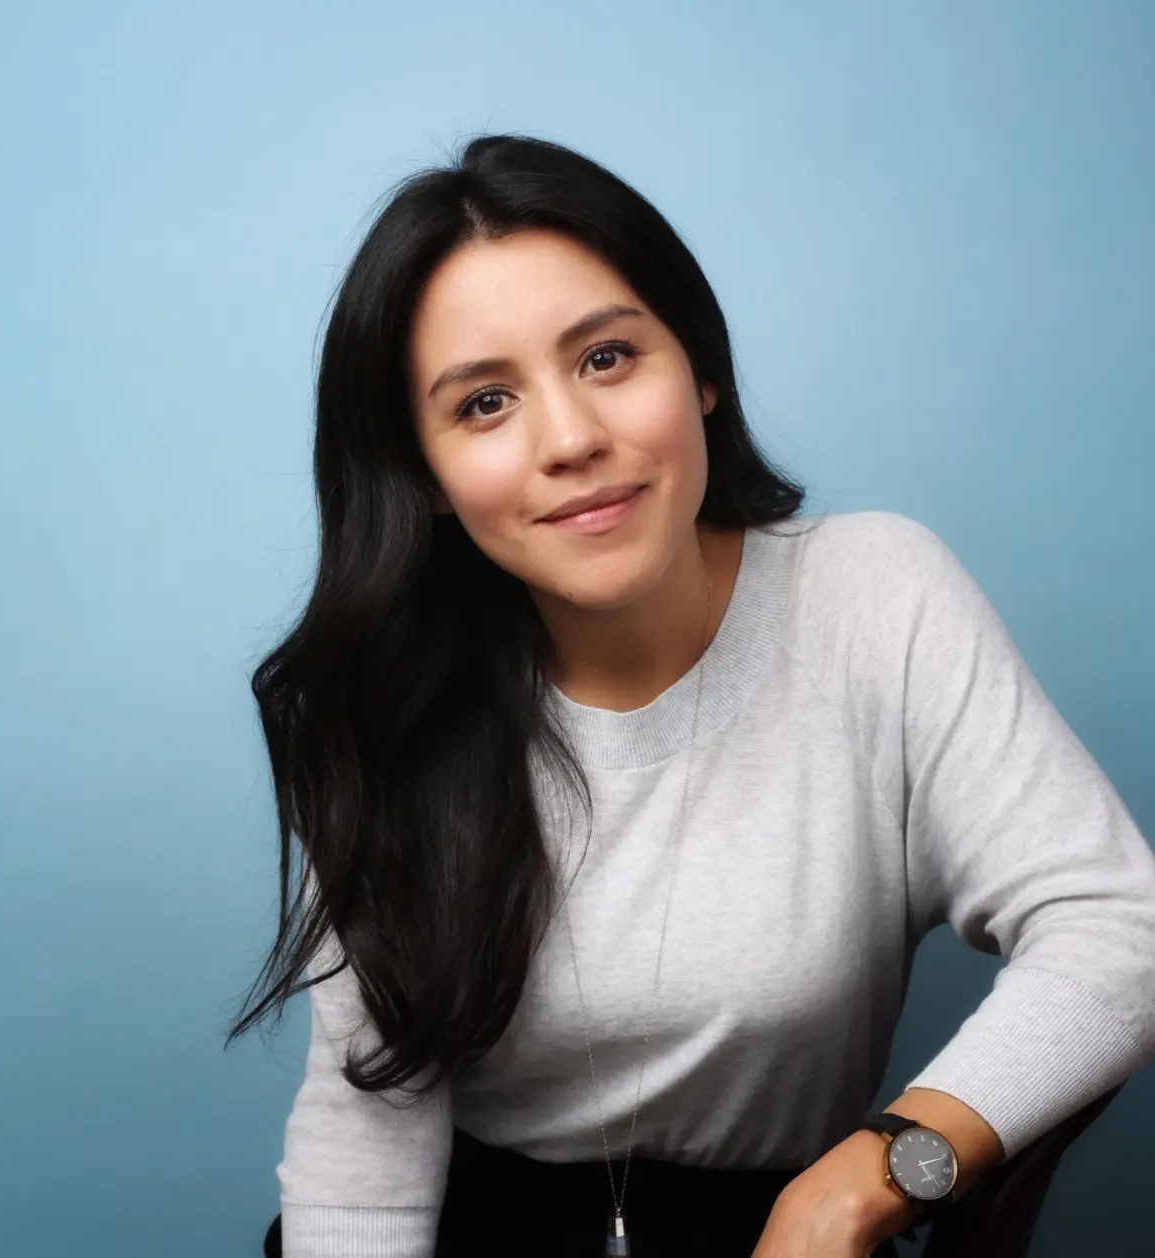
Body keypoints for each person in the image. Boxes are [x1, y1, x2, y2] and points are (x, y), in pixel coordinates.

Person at [225, 133, 1155, 1258]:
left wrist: (876, 1173)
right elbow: (364, 1124)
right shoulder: (388, 696)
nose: (572, 439)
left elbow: (1121, 928)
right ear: (422, 474)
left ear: (701, 369)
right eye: (485, 403)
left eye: (607, 357)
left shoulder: (873, 595)